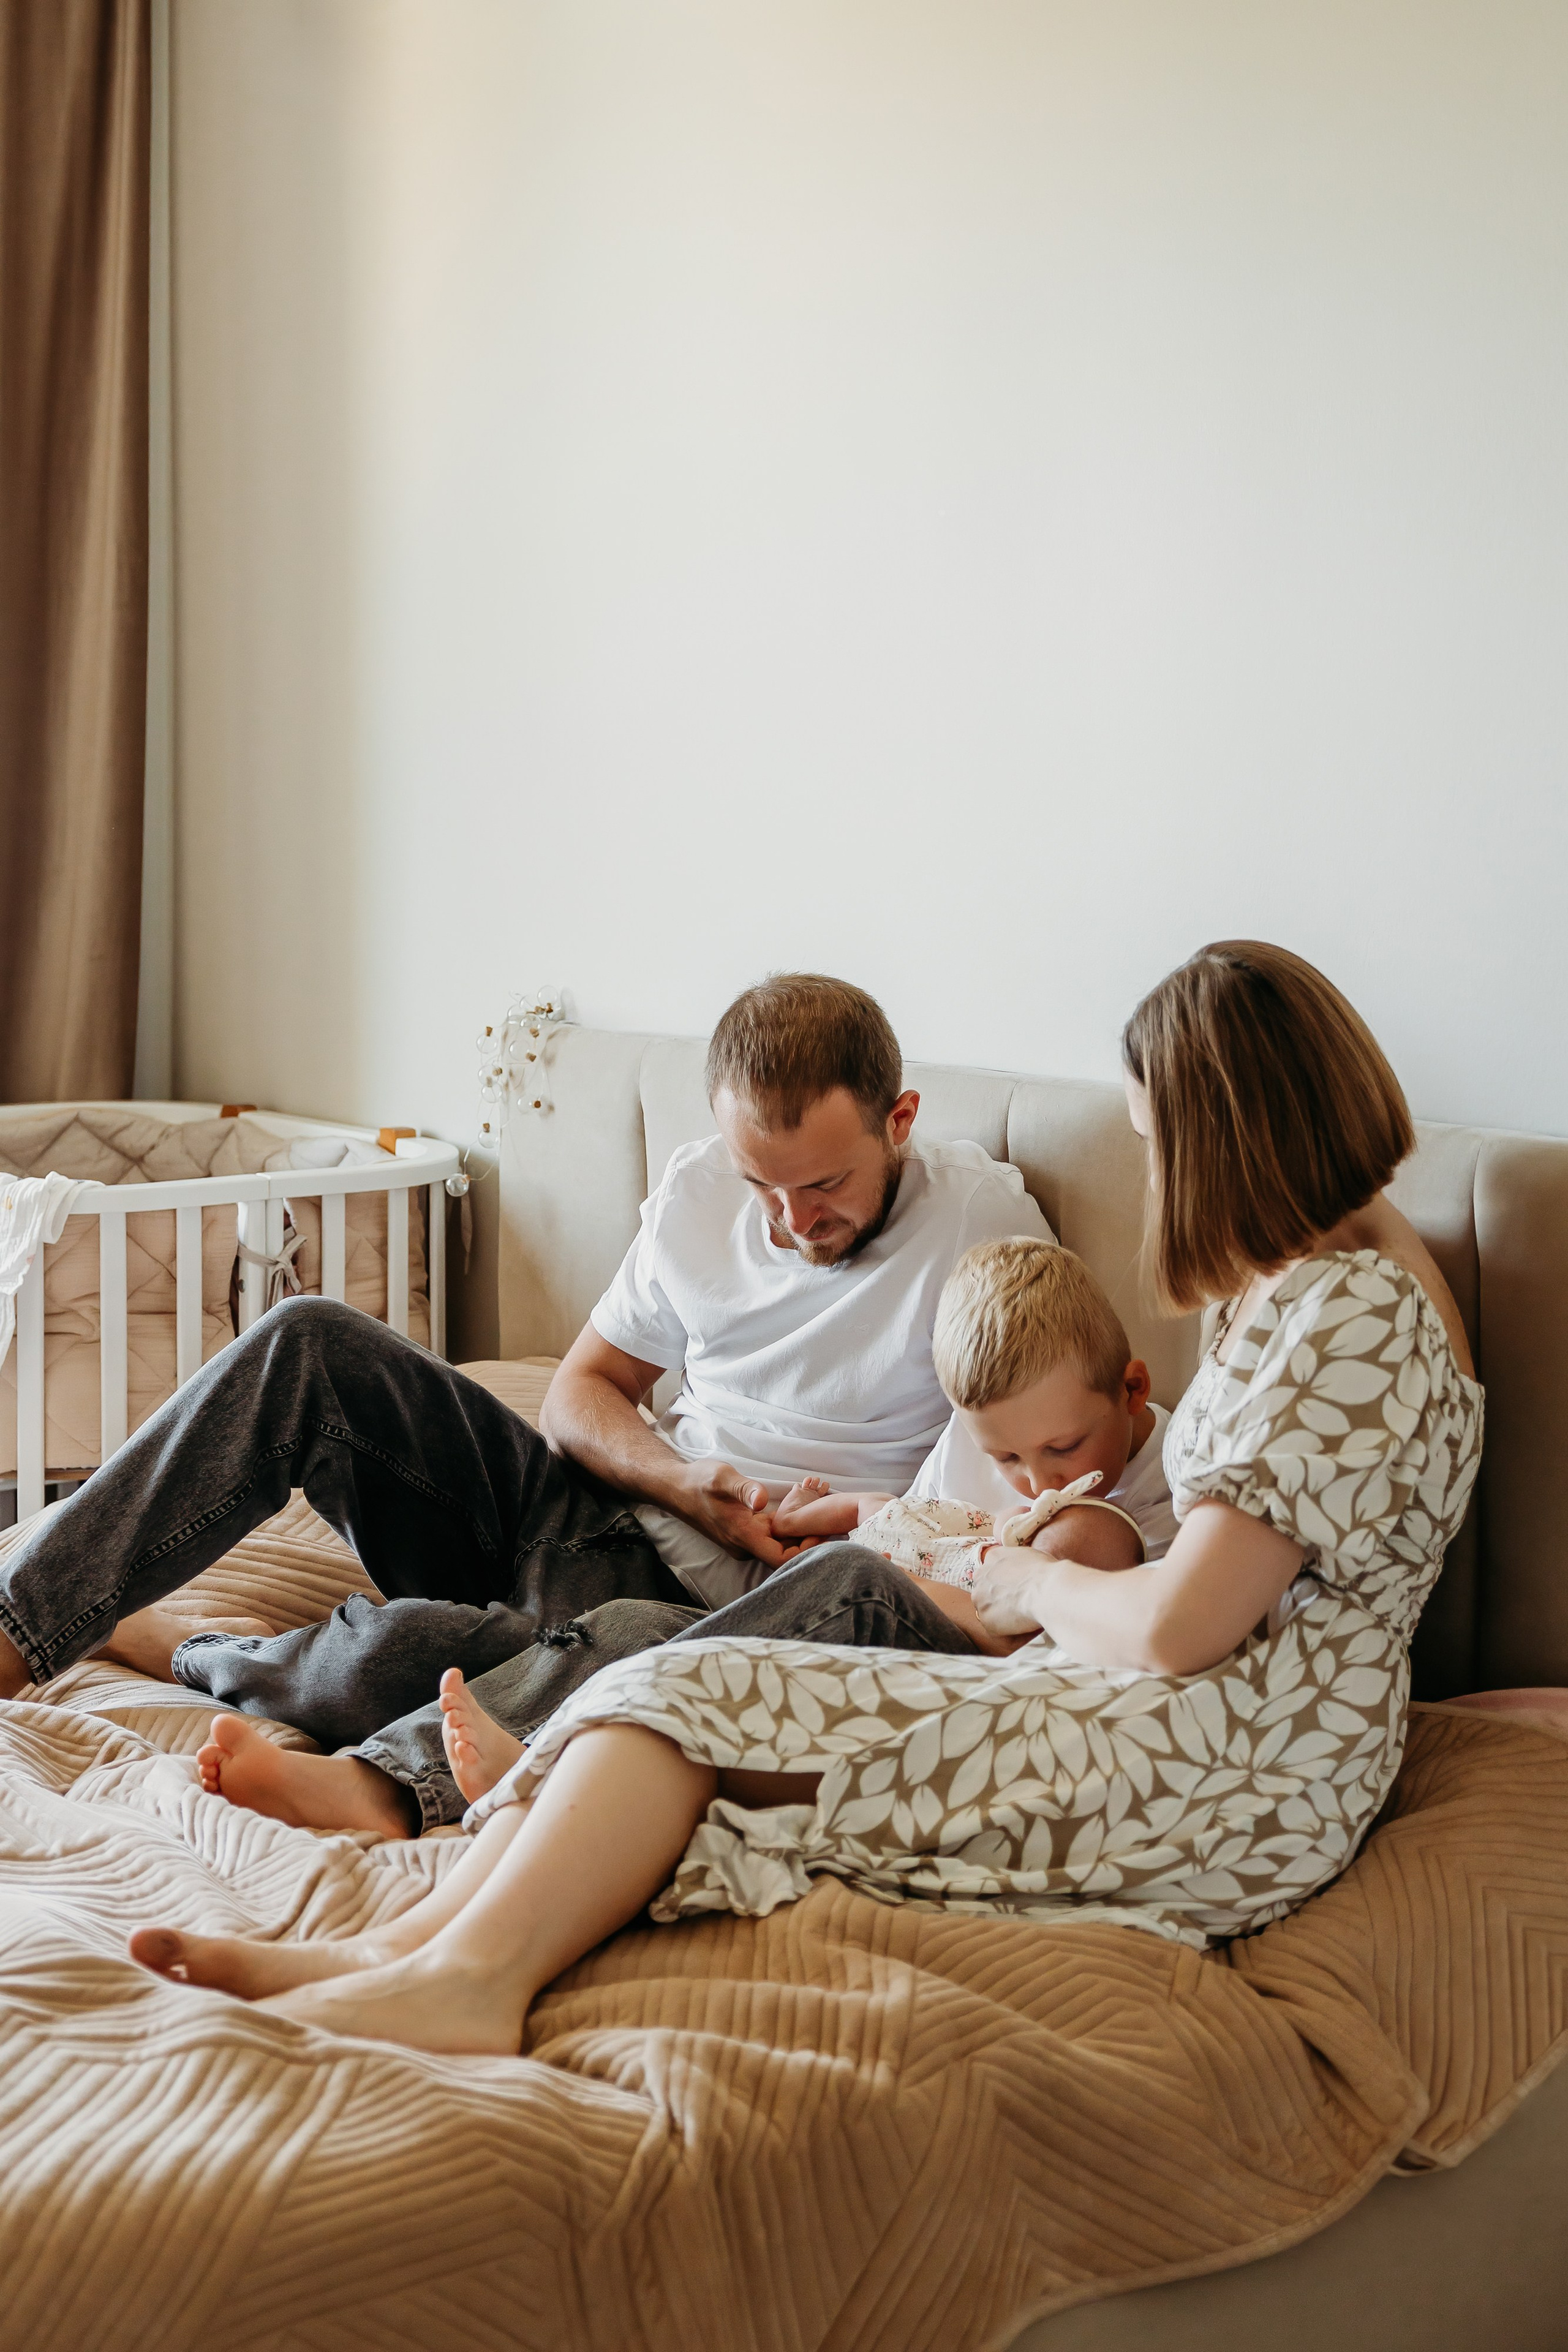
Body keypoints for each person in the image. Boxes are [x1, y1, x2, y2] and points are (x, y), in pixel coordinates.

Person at [130, 941, 1484, 2056]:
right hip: (1179, 1701)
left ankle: (460, 1971)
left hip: (1229, 1762)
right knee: (672, 1690)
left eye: (1157, 1136)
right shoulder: (1344, 1275)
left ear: (1222, 1133)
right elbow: (1339, 1549)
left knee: (680, 1685)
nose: (1156, 1172)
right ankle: (405, 1951)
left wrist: (1023, 1580)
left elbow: (1186, 1626)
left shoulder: (1345, 1310)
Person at [0, 974, 1051, 1832]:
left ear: (900, 1120)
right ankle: (21, 1623)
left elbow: (1032, 1464)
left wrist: (848, 1528)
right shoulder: (697, 1195)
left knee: (401, 1656)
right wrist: (684, 1482)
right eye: (760, 1183)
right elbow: (583, 1391)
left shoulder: (981, 1225)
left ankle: (323, 1741)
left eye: (822, 1187)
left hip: (748, 1617)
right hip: (606, 1527)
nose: (787, 1219)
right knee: (309, 1340)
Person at [429, 1238, 1174, 1807]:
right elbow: (926, 1528)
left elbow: (1037, 1633)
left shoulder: (1148, 1502)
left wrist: (878, 1562)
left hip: (977, 1688)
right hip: (896, 1627)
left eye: (1063, 1448)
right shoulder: (998, 1428)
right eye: (1005, 1456)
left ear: (1132, 1389)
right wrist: (858, 1520)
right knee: (636, 1628)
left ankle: (546, 1764)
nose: (1037, 1479)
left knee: (846, 1580)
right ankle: (484, 1759)